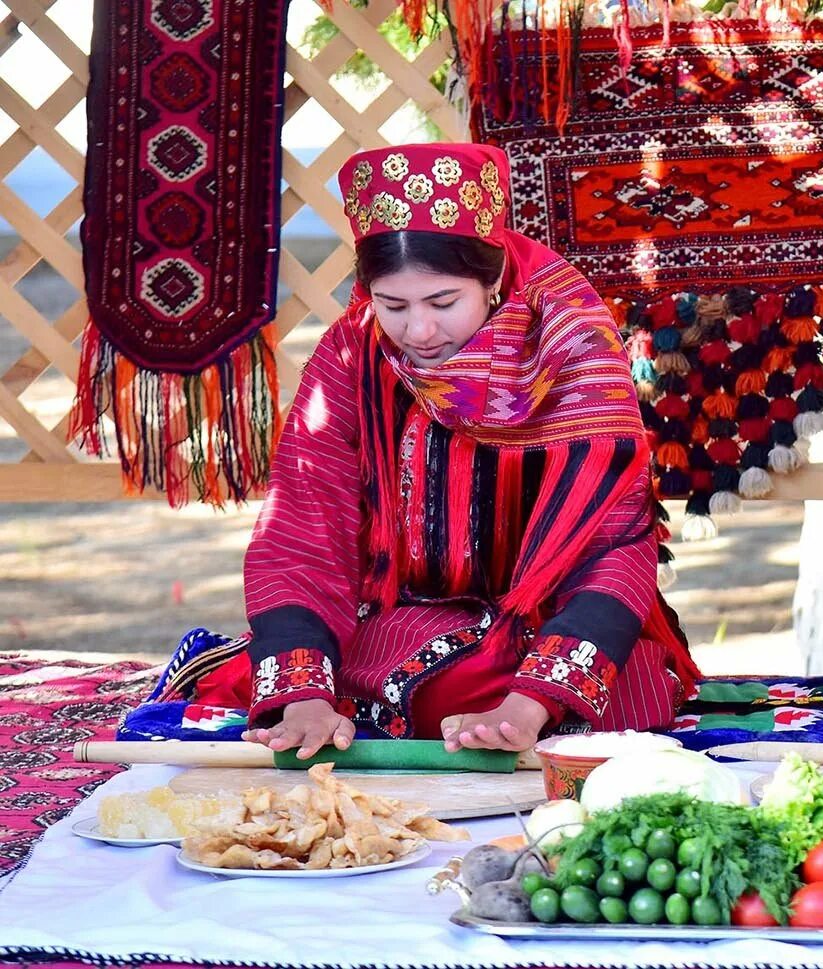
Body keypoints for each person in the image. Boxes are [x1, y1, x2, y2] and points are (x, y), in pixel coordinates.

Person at [190, 143, 699, 758]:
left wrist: (530, 702)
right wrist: (304, 696)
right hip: (401, 613)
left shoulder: (571, 345)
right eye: (393, 305)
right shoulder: (354, 351)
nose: (420, 332)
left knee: (528, 692)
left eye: (443, 303)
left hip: (548, 622)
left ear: (490, 281)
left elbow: (613, 543)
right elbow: (304, 523)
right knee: (300, 671)